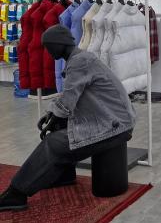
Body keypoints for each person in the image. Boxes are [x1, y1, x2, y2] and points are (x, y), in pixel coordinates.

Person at [0, 24, 136, 211]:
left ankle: (17, 193)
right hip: (113, 119)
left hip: (114, 125)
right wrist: (52, 115)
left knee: (52, 144)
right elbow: (69, 97)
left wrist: (53, 116)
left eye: (49, 47)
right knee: (58, 130)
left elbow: (68, 100)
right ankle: (64, 176)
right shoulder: (81, 59)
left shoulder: (80, 62)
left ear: (59, 44)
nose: (48, 52)